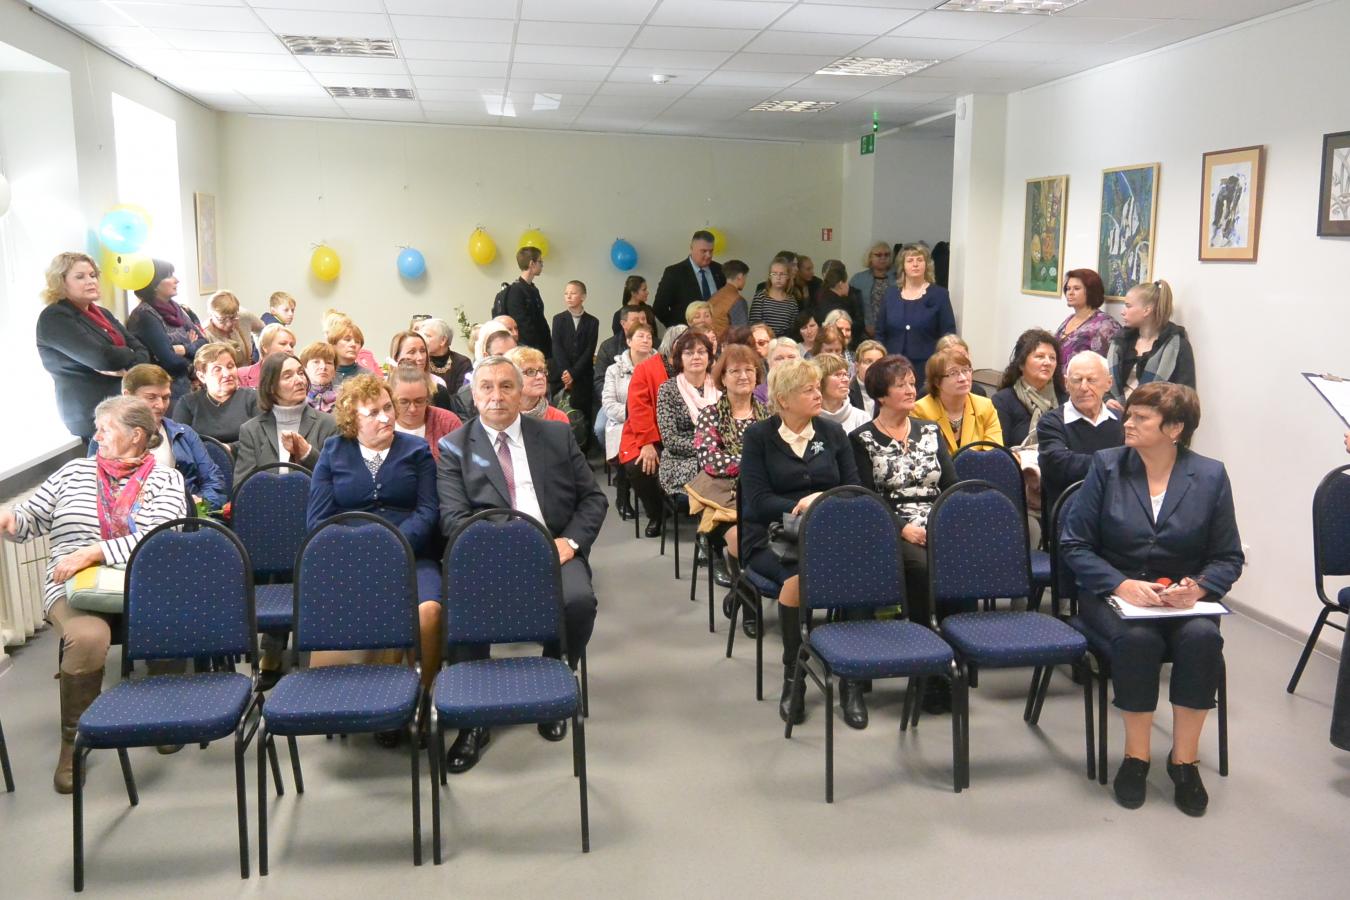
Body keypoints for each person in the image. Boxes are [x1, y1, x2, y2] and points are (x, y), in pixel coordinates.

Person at [1060, 382, 1243, 816]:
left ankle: (1184, 762)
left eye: (1141, 418)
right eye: (1130, 415)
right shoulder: (1106, 467)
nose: (1128, 423)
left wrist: (1196, 588)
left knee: (1202, 639)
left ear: (1175, 428)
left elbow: (1228, 556)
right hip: (1113, 596)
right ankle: (1136, 758)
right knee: (1139, 642)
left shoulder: (1211, 475)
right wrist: (1121, 585)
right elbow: (1074, 545)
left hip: (1181, 601)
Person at [0, 396, 186, 793]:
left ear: (136, 436)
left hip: (141, 581)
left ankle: (164, 715)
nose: (97, 436)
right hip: (74, 587)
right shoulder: (72, 473)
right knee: (87, 637)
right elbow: (29, 519)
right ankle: (75, 742)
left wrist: (94, 552)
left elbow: (161, 536)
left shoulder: (166, 478)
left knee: (167, 615)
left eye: (106, 429)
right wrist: (9, 520)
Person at [435, 354, 607, 772]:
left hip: (554, 548)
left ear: (522, 391)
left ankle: (553, 674)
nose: (497, 396)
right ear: (473, 396)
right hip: (487, 556)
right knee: (464, 608)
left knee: (579, 602)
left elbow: (594, 499)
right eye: (487, 388)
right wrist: (509, 552)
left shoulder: (555, 436)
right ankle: (474, 718)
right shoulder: (454, 448)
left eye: (506, 386)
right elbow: (454, 520)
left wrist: (570, 542)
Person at [739, 358, 861, 725]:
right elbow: (757, 502)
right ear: (784, 399)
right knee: (796, 580)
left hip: (828, 532)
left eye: (816, 386)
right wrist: (799, 504)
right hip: (771, 537)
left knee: (858, 574)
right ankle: (795, 676)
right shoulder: (759, 437)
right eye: (807, 389)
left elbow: (855, 488)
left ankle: (852, 678)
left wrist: (821, 504)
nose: (817, 393)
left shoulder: (832, 433)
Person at [307, 374, 444, 697]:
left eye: (388, 407)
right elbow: (318, 522)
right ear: (352, 420)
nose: (386, 417)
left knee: (429, 612)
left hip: (411, 553)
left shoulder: (416, 449)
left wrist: (391, 548)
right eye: (372, 412)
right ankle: (376, 694)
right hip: (350, 560)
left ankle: (425, 696)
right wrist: (362, 553)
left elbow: (428, 511)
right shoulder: (333, 451)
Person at [850, 354, 957, 713]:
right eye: (901, 384)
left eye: (913, 382)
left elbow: (951, 485)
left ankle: (952, 656)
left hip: (937, 519)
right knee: (923, 568)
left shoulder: (930, 430)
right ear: (881, 394)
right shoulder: (861, 439)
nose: (911, 389)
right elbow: (865, 496)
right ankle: (925, 665)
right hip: (889, 524)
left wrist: (941, 523)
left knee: (959, 562)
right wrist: (903, 528)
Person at [36, 251, 151, 442]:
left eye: (92, 275)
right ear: (61, 282)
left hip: (121, 406)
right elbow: (103, 358)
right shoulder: (55, 317)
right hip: (92, 413)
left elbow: (142, 351)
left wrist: (125, 359)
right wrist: (127, 355)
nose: (91, 281)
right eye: (80, 277)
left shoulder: (102, 313)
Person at [89, 364, 227, 509]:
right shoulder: (104, 440)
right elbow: (96, 491)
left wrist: (200, 504)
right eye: (151, 397)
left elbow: (214, 481)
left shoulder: (184, 434)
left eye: (166, 397)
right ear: (127, 396)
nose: (160, 406)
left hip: (186, 518)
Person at [691, 343, 768, 566]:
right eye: (735, 371)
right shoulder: (711, 414)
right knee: (742, 536)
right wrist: (754, 467)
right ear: (723, 379)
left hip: (763, 489)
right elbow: (710, 460)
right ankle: (739, 579)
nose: (744, 376)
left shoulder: (770, 414)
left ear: (757, 376)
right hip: (724, 493)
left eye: (750, 370)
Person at [1037, 351, 1125, 532]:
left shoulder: (1122, 421)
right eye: (1077, 380)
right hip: (1070, 518)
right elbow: (1059, 464)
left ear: (1108, 383)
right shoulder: (1052, 422)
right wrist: (1117, 463)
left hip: (1119, 514)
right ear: (1066, 383)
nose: (1084, 387)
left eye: (1091, 380)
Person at [619, 326, 686, 537]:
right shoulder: (646, 369)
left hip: (683, 434)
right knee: (639, 466)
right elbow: (638, 409)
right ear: (673, 345)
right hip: (648, 433)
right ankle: (656, 513)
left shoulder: (695, 367)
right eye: (685, 344)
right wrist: (647, 443)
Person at [234, 351, 339, 486]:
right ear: (271, 387)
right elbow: (241, 487)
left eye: (301, 373)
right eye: (288, 376)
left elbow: (340, 479)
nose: (300, 380)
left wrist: (307, 454)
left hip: (316, 505)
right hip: (266, 504)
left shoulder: (328, 424)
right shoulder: (251, 430)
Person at [875, 244, 956, 394]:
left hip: (926, 367)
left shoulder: (939, 295)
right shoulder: (891, 294)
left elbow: (948, 333)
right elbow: (880, 332)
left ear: (927, 264)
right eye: (910, 260)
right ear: (902, 266)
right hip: (892, 366)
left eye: (920, 260)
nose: (915, 264)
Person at [126, 259, 209, 404]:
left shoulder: (177, 308)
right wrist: (195, 361)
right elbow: (170, 360)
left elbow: (204, 343)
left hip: (188, 386)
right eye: (169, 276)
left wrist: (184, 348)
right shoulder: (145, 315)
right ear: (154, 284)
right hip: (166, 393)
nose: (176, 280)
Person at [1106, 279, 1196, 410]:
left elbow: (1186, 396)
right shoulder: (1120, 341)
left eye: (1128, 306)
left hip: (1157, 419)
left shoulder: (1177, 347)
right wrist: (1107, 399)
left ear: (1147, 310)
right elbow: (1103, 380)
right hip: (1116, 414)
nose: (1122, 311)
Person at [655, 331, 720, 497]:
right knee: (714, 475)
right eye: (689, 353)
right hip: (681, 460)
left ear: (710, 356)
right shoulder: (668, 389)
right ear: (680, 359)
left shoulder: (721, 386)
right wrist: (707, 449)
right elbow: (670, 440)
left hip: (719, 454)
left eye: (701, 352)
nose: (696, 357)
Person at [602, 318, 655, 520]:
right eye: (640, 336)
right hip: (622, 421)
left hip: (651, 423)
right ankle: (622, 496)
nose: (646, 340)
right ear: (629, 341)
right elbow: (608, 402)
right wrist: (633, 417)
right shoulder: (614, 370)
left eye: (649, 337)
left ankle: (654, 497)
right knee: (624, 446)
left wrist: (645, 420)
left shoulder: (659, 367)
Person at [912, 345, 1004, 454]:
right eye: (953, 373)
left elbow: (995, 454)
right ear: (937, 381)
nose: (963, 378)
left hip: (980, 469)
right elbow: (924, 459)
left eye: (966, 370)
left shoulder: (985, 406)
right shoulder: (920, 411)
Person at [172, 342, 260, 447]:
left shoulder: (253, 397)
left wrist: (229, 449)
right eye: (217, 370)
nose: (227, 374)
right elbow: (181, 443)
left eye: (230, 366)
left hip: (247, 459)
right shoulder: (187, 403)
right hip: (203, 461)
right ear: (202, 377)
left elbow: (262, 438)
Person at [991, 329, 1067, 449]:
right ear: (1021, 363)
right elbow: (999, 450)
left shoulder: (1065, 400)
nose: (1048, 362)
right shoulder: (1002, 401)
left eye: (1052, 358)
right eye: (1040, 356)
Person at [551, 279, 600, 443]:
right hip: (561, 375)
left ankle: (584, 454)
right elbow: (556, 346)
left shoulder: (592, 321)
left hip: (583, 375)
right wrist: (566, 372)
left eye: (573, 293)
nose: (568, 296)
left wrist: (573, 373)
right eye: (566, 293)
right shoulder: (558, 319)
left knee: (583, 415)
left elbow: (589, 351)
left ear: (583, 296)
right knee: (562, 415)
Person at [389, 363, 462, 462]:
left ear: (428, 397)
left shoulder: (448, 423)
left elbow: (464, 465)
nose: (412, 409)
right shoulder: (382, 425)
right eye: (404, 402)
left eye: (419, 401)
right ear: (391, 399)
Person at [654, 230, 725, 328]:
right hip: (686, 335)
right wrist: (677, 328)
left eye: (711, 251)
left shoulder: (720, 270)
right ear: (691, 249)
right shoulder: (674, 273)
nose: (708, 255)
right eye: (704, 251)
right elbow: (659, 308)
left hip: (716, 332)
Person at [1055, 268, 1120, 364]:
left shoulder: (1105, 325)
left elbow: (1107, 365)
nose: (1070, 293)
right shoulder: (1069, 319)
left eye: (1076, 288)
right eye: (1068, 288)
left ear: (1091, 291)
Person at [503, 246, 552, 357]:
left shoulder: (533, 289)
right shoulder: (516, 291)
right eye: (540, 261)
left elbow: (539, 320)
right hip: (526, 351)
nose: (542, 265)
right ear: (531, 263)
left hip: (539, 349)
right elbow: (522, 325)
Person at [390, 329, 454, 410]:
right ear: (396, 358)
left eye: (423, 351)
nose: (420, 357)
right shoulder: (386, 391)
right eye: (412, 352)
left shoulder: (438, 390)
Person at [506, 346, 571, 424]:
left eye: (542, 370)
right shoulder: (501, 417)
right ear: (512, 378)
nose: (540, 376)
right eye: (530, 372)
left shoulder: (558, 418)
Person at [849, 242, 897, 337]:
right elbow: (852, 306)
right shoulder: (858, 279)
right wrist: (866, 325)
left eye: (887, 255)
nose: (883, 258)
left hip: (893, 330)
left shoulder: (899, 277)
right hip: (865, 331)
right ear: (870, 257)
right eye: (878, 255)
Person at [415, 317, 473, 394]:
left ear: (443, 340)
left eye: (428, 336)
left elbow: (462, 396)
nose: (423, 340)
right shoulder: (420, 360)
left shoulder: (462, 363)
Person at [816, 353, 870, 435]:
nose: (845, 379)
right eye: (837, 375)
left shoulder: (862, 418)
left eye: (845, 374)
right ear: (821, 380)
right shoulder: (807, 418)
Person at [202, 290, 258, 367]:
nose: (229, 324)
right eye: (222, 319)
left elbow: (263, 331)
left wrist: (259, 356)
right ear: (211, 314)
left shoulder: (243, 316)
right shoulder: (205, 334)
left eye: (233, 317)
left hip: (247, 374)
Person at [815, 267, 866, 350]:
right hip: (840, 345)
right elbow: (857, 326)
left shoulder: (823, 299)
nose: (849, 286)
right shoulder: (841, 305)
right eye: (847, 282)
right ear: (841, 284)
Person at [748, 258, 799, 338]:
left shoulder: (792, 301)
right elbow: (754, 324)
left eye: (782, 274)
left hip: (782, 343)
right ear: (769, 276)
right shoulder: (761, 297)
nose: (778, 277)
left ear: (788, 276)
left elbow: (793, 328)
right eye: (774, 274)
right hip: (763, 341)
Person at [237, 323, 296, 388]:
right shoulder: (241, 375)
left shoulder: (297, 378)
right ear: (265, 347)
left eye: (291, 345)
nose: (289, 349)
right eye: (283, 344)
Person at [327, 315, 376, 388]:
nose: (353, 344)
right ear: (334, 344)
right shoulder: (323, 373)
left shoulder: (368, 377)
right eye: (347, 340)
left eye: (357, 342)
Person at [611, 275, 661, 340]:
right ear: (633, 293)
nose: (647, 292)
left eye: (643, 319)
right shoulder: (619, 315)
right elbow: (618, 340)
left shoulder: (648, 310)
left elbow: (654, 336)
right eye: (644, 290)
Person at [708, 259, 750, 335]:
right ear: (740, 276)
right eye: (745, 277)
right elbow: (741, 333)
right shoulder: (738, 300)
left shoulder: (715, 296)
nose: (745, 281)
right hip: (726, 344)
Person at [755, 337, 802, 405]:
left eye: (791, 357)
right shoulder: (759, 394)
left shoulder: (812, 387)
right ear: (769, 363)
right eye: (779, 358)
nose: (786, 362)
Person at [298, 341, 338, 414]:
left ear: (334, 370)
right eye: (316, 362)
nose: (323, 367)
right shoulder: (295, 398)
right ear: (304, 368)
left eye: (329, 363)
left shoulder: (343, 399)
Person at [850, 339, 887, 415]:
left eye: (879, 362)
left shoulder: (889, 393)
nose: (874, 366)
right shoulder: (847, 393)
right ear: (857, 366)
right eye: (868, 361)